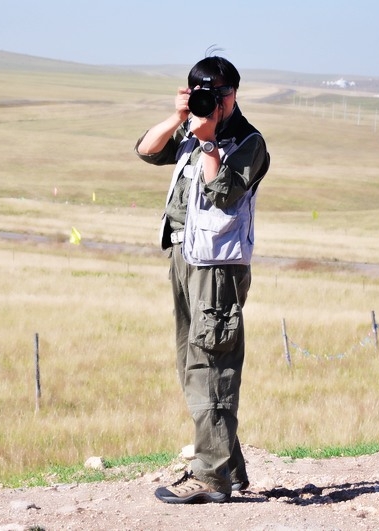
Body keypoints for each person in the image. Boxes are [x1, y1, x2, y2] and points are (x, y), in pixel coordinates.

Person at [135, 55, 270, 504]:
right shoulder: (191, 129)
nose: (212, 101)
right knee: (190, 363)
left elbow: (222, 194)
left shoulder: (248, 142)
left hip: (218, 267)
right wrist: (179, 118)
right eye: (202, 93)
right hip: (183, 256)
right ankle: (228, 466)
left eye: (219, 93)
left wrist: (209, 142)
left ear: (234, 93)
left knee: (211, 363)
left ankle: (210, 476)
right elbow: (147, 150)